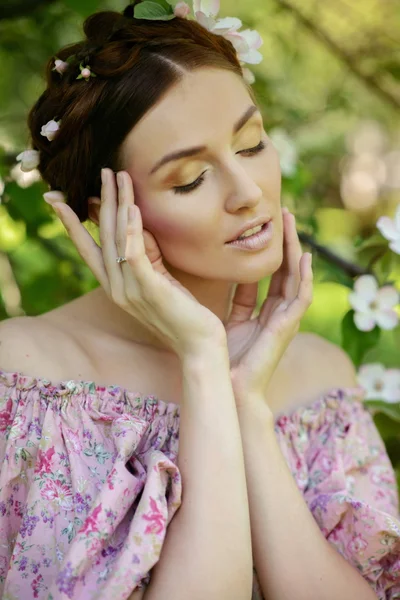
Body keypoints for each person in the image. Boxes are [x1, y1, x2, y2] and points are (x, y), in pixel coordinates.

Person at [0, 1, 399, 599]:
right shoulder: (25, 380)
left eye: (251, 143)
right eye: (189, 179)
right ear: (106, 214)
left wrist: (247, 406)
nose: (247, 192)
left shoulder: (321, 376)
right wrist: (203, 364)